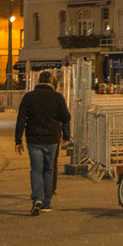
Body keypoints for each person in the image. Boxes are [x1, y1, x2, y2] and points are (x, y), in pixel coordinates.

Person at [14, 70, 71, 215]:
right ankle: (46, 202)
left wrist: (18, 140)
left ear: (38, 81)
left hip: (34, 139)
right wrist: (66, 136)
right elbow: (66, 117)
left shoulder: (29, 97)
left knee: (35, 169)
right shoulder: (57, 97)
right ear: (51, 82)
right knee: (48, 169)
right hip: (51, 139)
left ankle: (37, 198)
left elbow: (21, 119)